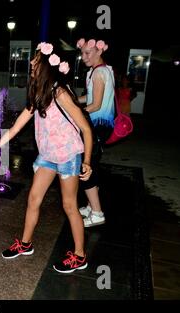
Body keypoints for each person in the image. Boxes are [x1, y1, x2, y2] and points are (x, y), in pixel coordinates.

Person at [0, 42, 94, 273]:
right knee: (33, 199)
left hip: (68, 155)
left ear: (47, 67)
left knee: (69, 205)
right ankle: (25, 243)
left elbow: (86, 128)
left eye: (37, 60)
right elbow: (15, 129)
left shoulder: (61, 94)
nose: (31, 63)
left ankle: (80, 255)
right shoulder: (40, 95)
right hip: (48, 156)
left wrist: (87, 161)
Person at [75, 38, 115, 227]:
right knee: (93, 165)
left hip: (98, 125)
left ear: (99, 51)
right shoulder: (99, 70)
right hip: (100, 125)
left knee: (86, 166)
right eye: (82, 53)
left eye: (87, 53)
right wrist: (73, 100)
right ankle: (92, 206)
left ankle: (97, 213)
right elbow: (89, 98)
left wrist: (75, 111)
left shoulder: (99, 72)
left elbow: (96, 104)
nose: (83, 57)